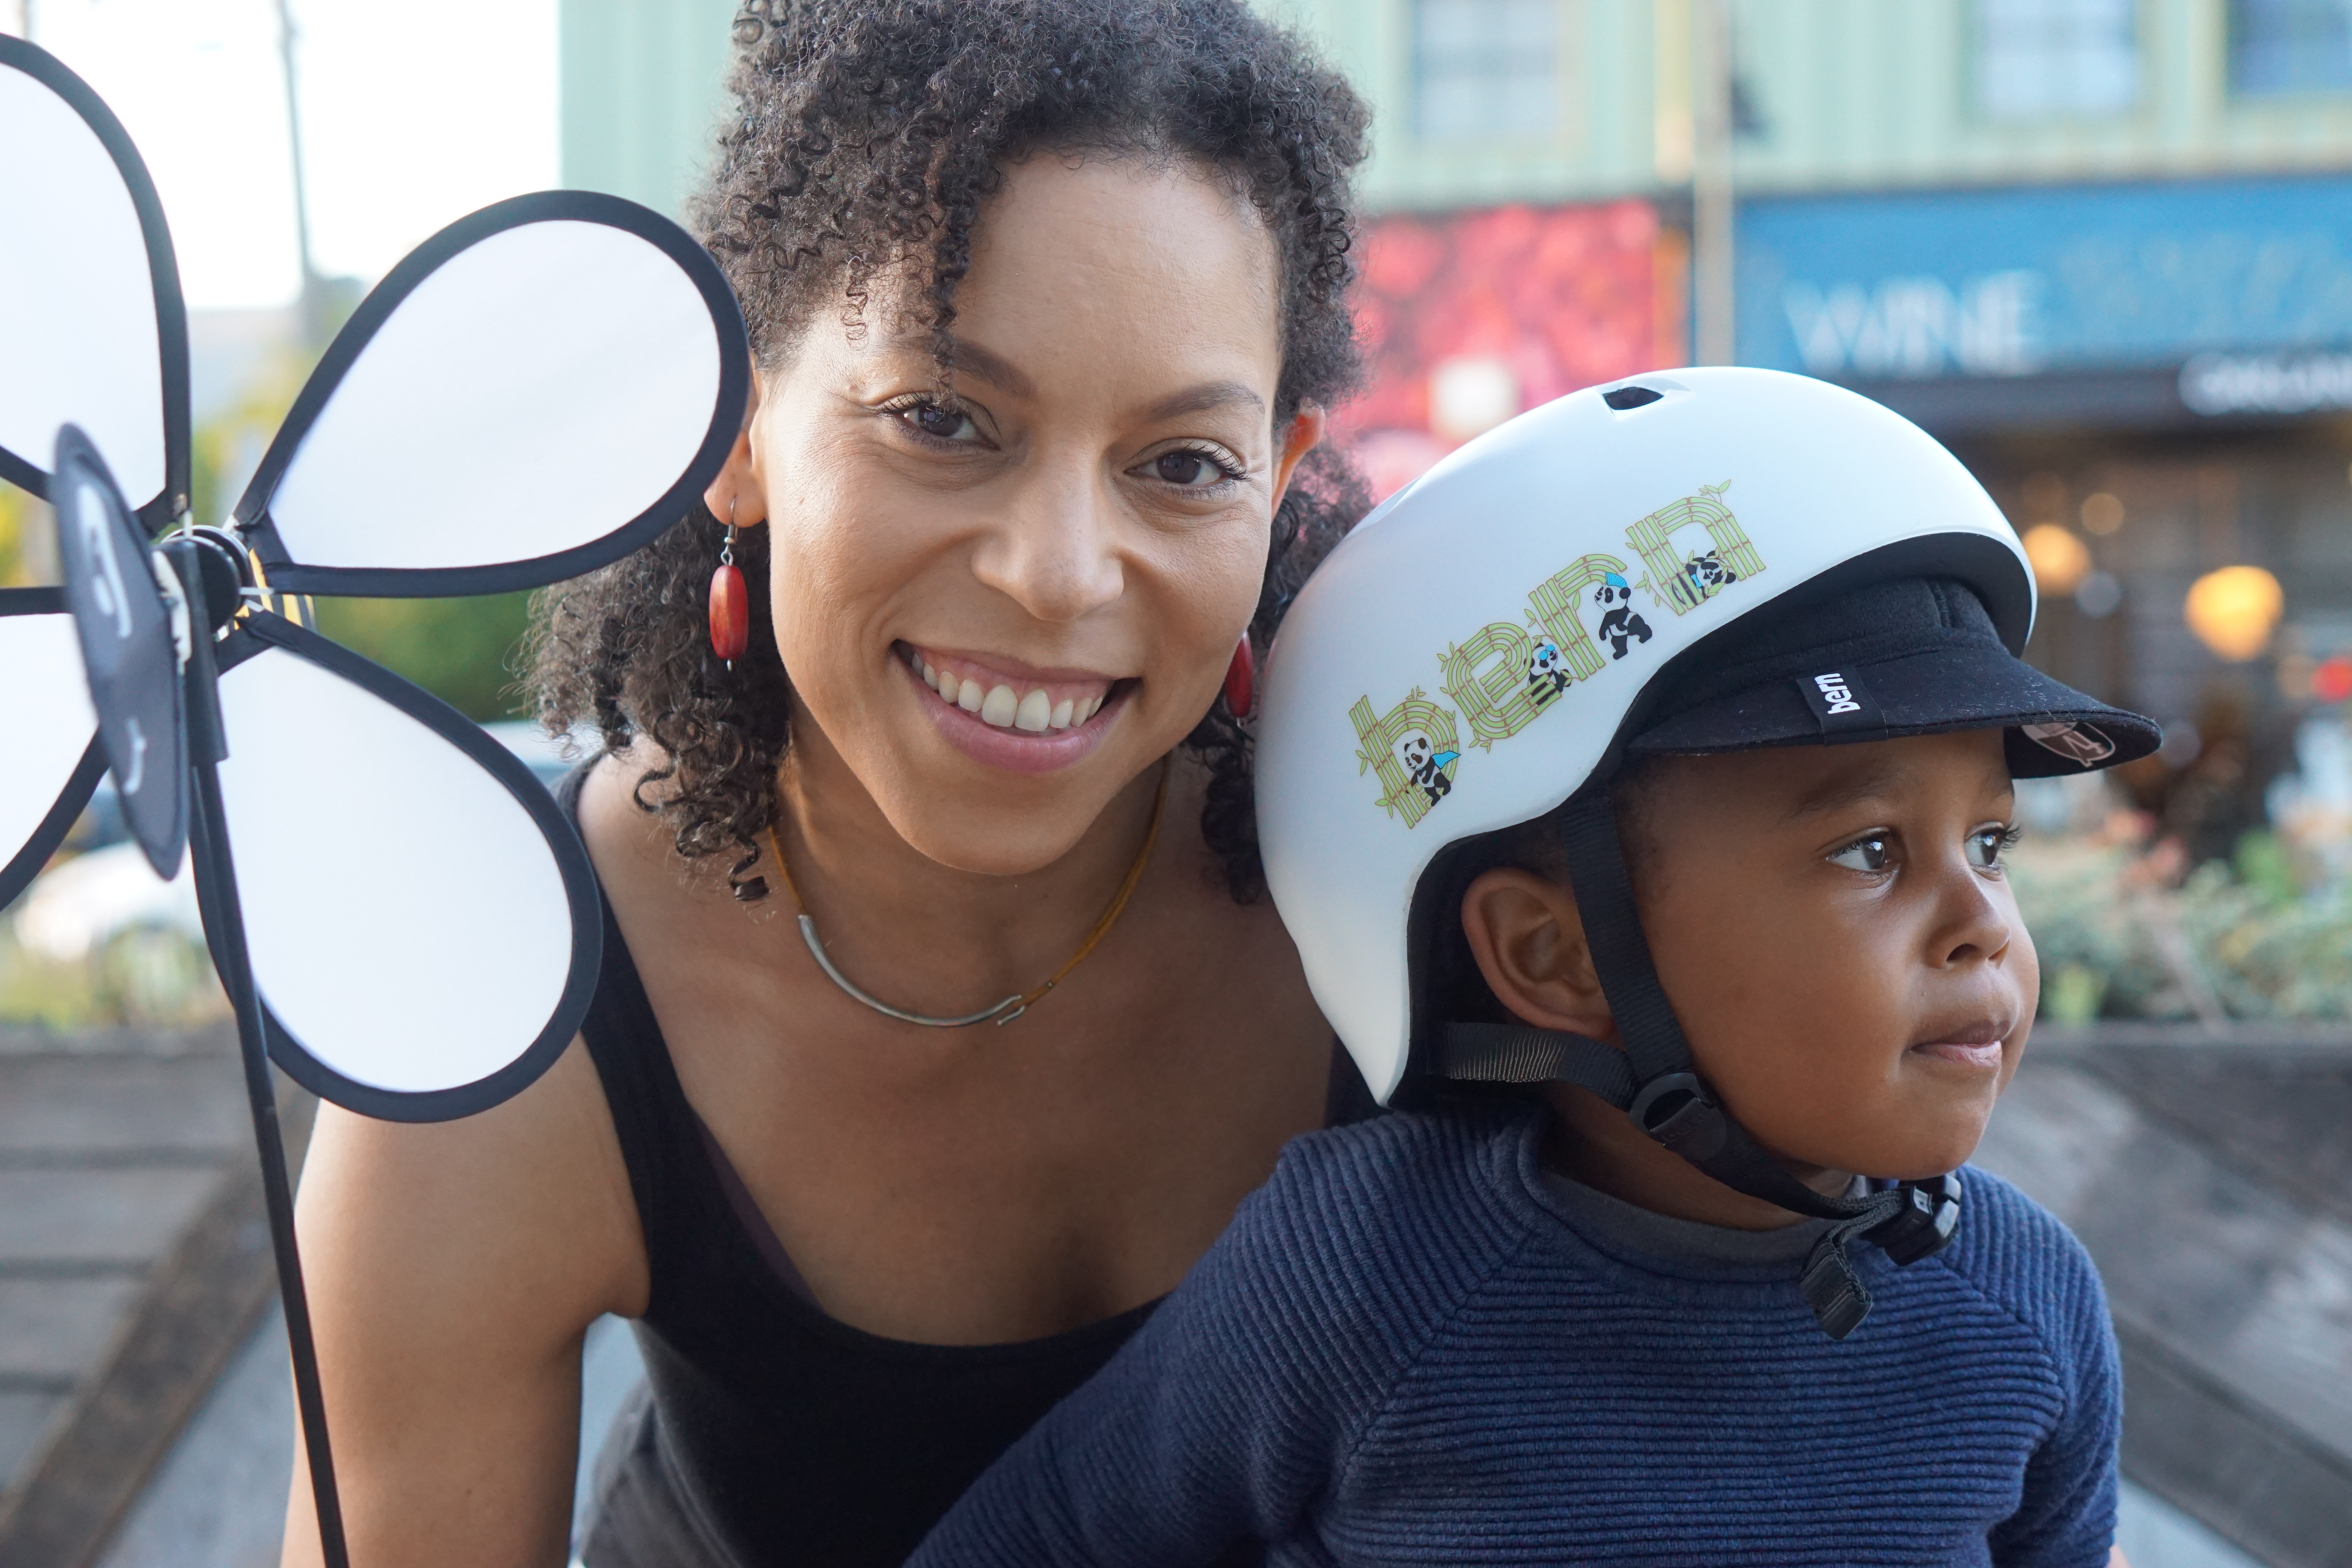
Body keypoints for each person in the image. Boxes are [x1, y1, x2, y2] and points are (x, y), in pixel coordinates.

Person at [278, 4, 1376, 1565]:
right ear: (736, 432)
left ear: (1282, 467)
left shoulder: (1435, 873)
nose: (1058, 575)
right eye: (943, 420)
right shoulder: (512, 992)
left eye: (1184, 463)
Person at [906, 368, 2158, 1566]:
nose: (1982, 921)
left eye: (1990, 841)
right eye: (1871, 849)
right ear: (1551, 958)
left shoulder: (2029, 1303)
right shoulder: (1364, 1277)